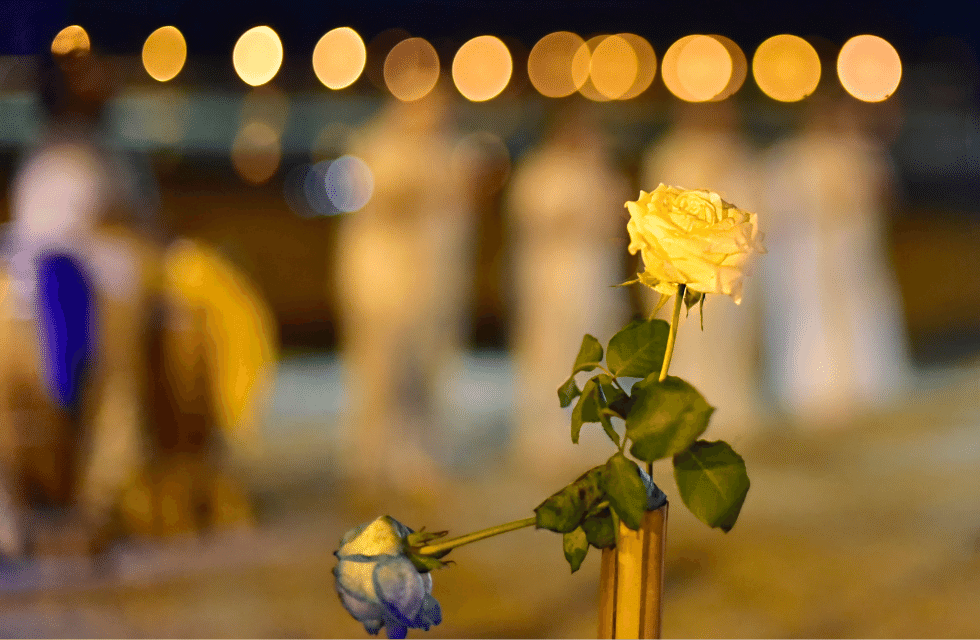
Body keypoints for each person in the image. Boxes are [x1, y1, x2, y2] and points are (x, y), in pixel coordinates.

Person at [506, 103, 632, 481]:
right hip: (550, 279)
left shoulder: (602, 174)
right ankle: (547, 438)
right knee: (551, 357)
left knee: (595, 353)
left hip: (593, 278)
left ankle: (593, 433)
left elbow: (618, 221)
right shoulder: (539, 173)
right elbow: (535, 220)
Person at [638, 100, 765, 439]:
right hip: (686, 265)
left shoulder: (739, 155)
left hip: (726, 266)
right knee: (688, 341)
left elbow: (754, 207)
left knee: (729, 340)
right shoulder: (670, 154)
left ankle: (731, 413)